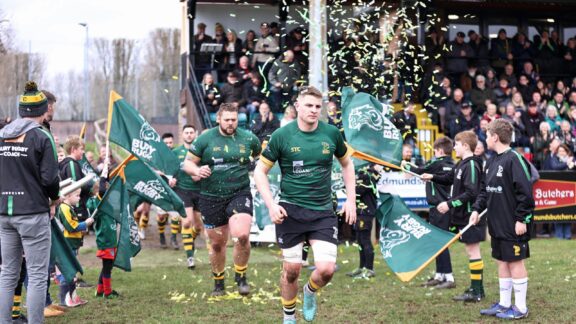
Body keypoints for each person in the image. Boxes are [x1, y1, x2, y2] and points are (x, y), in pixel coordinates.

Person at [254, 86, 357, 323]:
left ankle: (309, 292)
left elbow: (347, 165)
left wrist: (350, 200)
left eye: (318, 107)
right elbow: (260, 171)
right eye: (309, 105)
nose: (313, 110)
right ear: (297, 106)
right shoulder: (282, 135)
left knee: (327, 270)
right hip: (290, 211)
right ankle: (289, 316)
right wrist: (271, 205)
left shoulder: (331, 133)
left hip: (322, 211)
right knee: (292, 271)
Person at [184, 103, 262, 297]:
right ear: (218, 118)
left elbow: (261, 161)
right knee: (218, 244)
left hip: (239, 193)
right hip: (211, 196)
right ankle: (219, 282)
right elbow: (187, 163)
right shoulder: (205, 139)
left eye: (233, 120)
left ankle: (241, 276)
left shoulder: (249, 139)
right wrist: (197, 170)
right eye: (226, 119)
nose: (230, 123)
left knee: (242, 235)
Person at [0, 81, 60, 324]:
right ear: (43, 110)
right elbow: (50, 178)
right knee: (36, 275)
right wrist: (55, 199)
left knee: (7, 274)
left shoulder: (2, 135)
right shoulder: (42, 137)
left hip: (4, 214)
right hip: (33, 213)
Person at [470, 119, 535, 319]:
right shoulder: (490, 161)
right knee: (501, 261)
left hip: (512, 223)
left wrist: (522, 219)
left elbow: (526, 193)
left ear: (495, 137)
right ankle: (504, 304)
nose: (485, 139)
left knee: (515, 262)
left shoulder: (514, 159)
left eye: (487, 135)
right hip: (496, 223)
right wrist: (476, 209)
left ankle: (521, 308)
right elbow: (484, 191)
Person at [421, 130, 486, 302]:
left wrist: (448, 204)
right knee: (470, 251)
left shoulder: (471, 165)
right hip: (464, 216)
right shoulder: (461, 164)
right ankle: (476, 288)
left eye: (456, 144)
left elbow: (472, 193)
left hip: (471, 215)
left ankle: (476, 291)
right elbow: (448, 178)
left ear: (465, 146)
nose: (454, 147)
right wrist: (432, 177)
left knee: (473, 251)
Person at [403, 137, 456, 289]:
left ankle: (449, 277)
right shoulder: (452, 164)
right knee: (437, 242)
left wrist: (404, 164)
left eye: (434, 150)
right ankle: (440, 275)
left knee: (440, 243)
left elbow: (419, 171)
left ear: (439, 150)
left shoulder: (437, 163)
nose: (433, 153)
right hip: (445, 206)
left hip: (438, 208)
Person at [172, 125, 204, 269]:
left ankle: (189, 240)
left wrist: (200, 175)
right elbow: (169, 170)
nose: (189, 135)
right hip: (182, 190)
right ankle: (190, 257)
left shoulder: (201, 151)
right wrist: (170, 179)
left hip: (199, 191)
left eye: (192, 132)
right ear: (182, 134)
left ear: (195, 134)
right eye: (187, 133)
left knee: (198, 226)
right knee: (186, 222)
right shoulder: (176, 152)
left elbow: (209, 168)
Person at [55, 187, 92, 307]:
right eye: (77, 195)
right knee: (68, 271)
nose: (79, 198)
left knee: (73, 272)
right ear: (67, 196)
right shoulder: (64, 208)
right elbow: (71, 227)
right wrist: (85, 224)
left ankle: (73, 296)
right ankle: (65, 299)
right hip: (67, 244)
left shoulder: (70, 208)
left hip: (73, 244)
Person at [346, 164, 381, 279]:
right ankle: (361, 268)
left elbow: (357, 192)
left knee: (365, 241)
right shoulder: (364, 174)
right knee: (360, 241)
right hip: (359, 212)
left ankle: (369, 269)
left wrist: (347, 186)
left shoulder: (367, 176)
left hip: (365, 213)